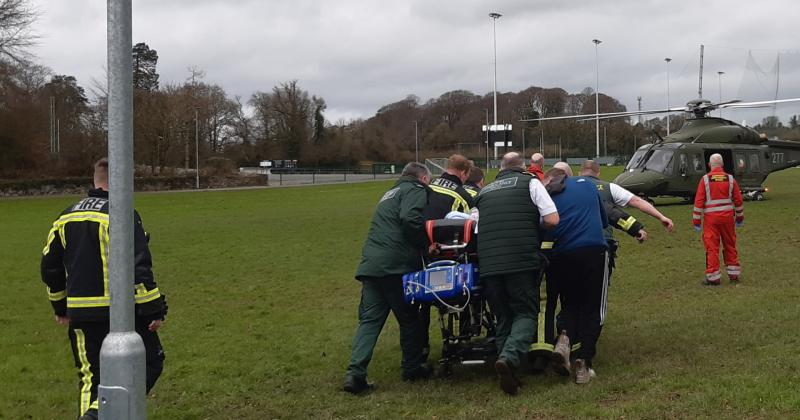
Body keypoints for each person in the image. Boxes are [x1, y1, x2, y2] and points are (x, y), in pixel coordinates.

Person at [40, 158, 166, 420]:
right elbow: (139, 266)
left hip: (81, 314)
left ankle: (91, 412)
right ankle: (98, 414)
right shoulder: (121, 213)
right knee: (149, 362)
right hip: (120, 312)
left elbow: (49, 266)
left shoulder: (65, 216)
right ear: (122, 180)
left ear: (94, 180)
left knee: (90, 378)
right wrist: (154, 309)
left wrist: (60, 305)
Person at [343, 162, 433, 395]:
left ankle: (355, 373)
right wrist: (427, 244)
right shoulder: (414, 189)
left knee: (370, 321)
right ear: (423, 178)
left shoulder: (389, 193)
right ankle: (412, 367)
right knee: (410, 317)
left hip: (371, 264)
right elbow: (410, 218)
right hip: (395, 265)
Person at [473, 152, 559, 395]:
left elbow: (476, 229)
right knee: (526, 312)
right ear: (523, 167)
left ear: (500, 167)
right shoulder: (530, 182)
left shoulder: (484, 192)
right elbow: (552, 219)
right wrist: (533, 226)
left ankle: (509, 371)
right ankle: (509, 359)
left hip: (489, 264)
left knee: (503, 317)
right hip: (521, 260)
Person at [543, 167, 608, 384]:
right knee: (593, 307)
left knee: (570, 303)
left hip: (563, 254)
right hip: (593, 250)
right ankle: (584, 361)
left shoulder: (547, 193)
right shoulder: (587, 185)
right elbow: (604, 220)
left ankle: (564, 338)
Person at [692, 153, 744, 285]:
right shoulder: (731, 179)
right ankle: (734, 274)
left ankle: (713, 277)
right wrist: (739, 217)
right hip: (728, 218)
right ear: (722, 165)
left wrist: (696, 221)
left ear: (709, 165)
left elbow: (699, 201)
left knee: (712, 247)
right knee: (730, 245)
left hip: (711, 219)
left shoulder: (705, 180)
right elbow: (738, 200)